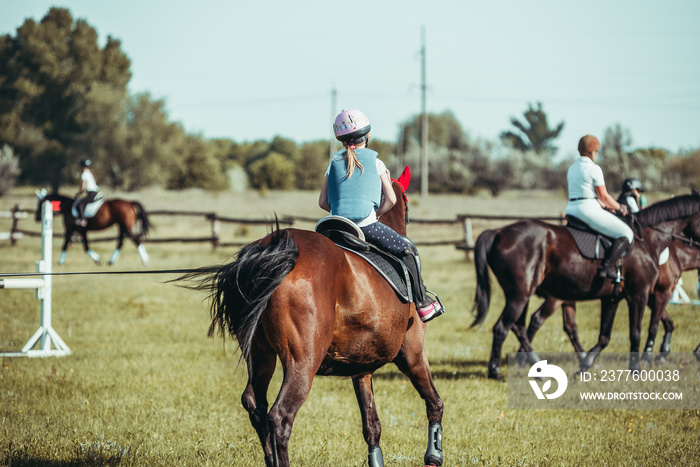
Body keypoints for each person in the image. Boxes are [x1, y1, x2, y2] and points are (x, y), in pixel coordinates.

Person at [319, 109, 444, 322]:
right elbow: (392, 200)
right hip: (365, 227)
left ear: (341, 140)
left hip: (333, 227)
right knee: (408, 249)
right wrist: (376, 214)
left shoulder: (333, 164)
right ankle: (423, 304)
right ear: (367, 136)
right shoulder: (376, 163)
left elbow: (322, 202)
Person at [565, 135, 634, 279]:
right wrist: (620, 207)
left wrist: (603, 205)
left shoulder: (571, 168)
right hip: (587, 210)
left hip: (571, 209)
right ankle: (607, 268)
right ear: (592, 152)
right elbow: (604, 196)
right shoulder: (594, 168)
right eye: (597, 151)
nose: (597, 154)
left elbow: (588, 194)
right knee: (626, 233)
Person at [75, 158, 99, 227]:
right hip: (95, 192)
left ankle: (83, 220)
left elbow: (82, 189)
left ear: (82, 166)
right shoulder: (90, 173)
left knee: (81, 204)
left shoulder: (84, 174)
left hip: (91, 193)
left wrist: (77, 194)